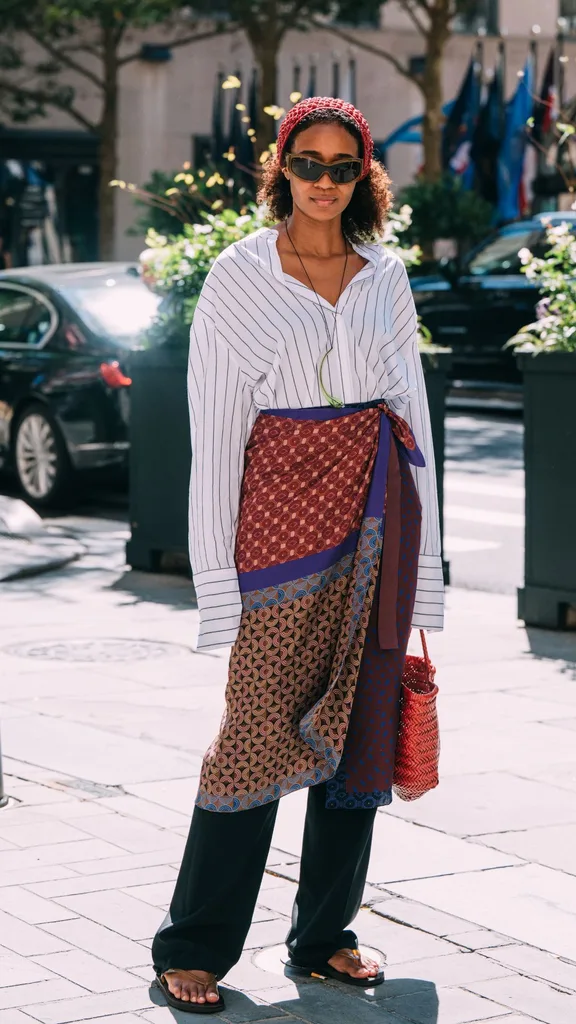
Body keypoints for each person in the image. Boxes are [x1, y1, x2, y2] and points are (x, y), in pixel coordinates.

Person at [152, 96, 444, 1015]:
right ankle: (192, 943)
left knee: (360, 734)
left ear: (365, 176)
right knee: (254, 735)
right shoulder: (240, 278)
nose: (325, 182)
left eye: (342, 166)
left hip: (377, 513)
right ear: (281, 170)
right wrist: (216, 585)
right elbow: (218, 433)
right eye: (308, 164)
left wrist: (425, 566)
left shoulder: (384, 276)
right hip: (277, 528)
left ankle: (323, 938)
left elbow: (413, 417)